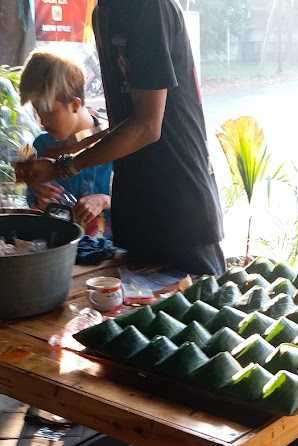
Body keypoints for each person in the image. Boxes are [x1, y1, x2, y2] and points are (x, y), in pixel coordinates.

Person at [16, 0, 225, 277]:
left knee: (196, 310)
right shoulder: (103, 13)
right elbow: (125, 122)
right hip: (138, 210)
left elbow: (147, 125)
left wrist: (61, 166)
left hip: (179, 206)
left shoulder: (147, 7)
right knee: (134, 315)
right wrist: (59, 155)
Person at [19, 51, 112, 236]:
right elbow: (29, 198)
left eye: (49, 111)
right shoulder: (40, 144)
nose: (42, 122)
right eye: (37, 111)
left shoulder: (114, 141)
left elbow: (141, 200)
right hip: (58, 247)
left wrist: (104, 200)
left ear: (75, 105)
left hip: (106, 253)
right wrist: (38, 196)